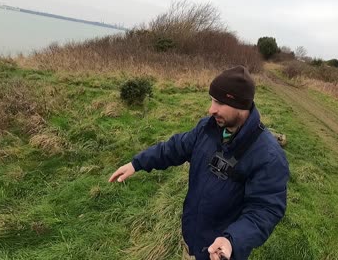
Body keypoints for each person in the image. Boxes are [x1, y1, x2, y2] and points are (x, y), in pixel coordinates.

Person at [108, 65, 289, 260]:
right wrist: (137, 163)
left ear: (240, 105)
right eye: (212, 100)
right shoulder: (208, 128)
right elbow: (175, 148)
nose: (211, 109)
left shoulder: (269, 156)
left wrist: (231, 241)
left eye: (219, 103)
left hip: (220, 253)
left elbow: (265, 210)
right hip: (192, 241)